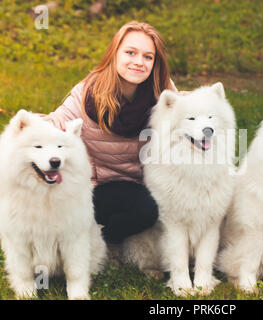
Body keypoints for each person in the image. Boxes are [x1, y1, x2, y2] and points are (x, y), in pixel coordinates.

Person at [43, 21, 177, 247]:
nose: (138, 62)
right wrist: (27, 130)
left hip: (139, 189)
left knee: (148, 210)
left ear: (155, 63)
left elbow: (186, 117)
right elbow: (56, 122)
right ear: (115, 53)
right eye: (130, 52)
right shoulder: (88, 91)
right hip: (93, 190)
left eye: (147, 57)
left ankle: (107, 241)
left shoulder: (162, 91)